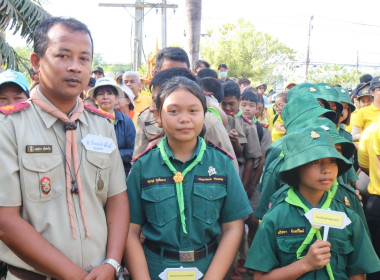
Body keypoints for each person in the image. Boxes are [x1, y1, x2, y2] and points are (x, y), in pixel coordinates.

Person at [0, 17, 129, 280]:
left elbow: (117, 198)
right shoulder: (8, 126)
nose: (75, 67)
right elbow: (5, 221)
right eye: (63, 55)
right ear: (36, 63)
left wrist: (113, 263)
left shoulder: (102, 125)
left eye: (84, 59)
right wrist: (76, 276)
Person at [124, 76, 252, 280]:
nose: (184, 118)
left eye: (193, 110)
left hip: (209, 267)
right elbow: (130, 231)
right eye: (173, 111)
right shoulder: (143, 166)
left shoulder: (222, 163)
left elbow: (233, 227)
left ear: (205, 114)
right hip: (155, 267)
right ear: (157, 115)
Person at [245, 126, 380, 279]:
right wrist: (305, 264)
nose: (326, 169)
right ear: (296, 167)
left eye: (332, 160)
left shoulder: (348, 217)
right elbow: (260, 277)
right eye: (315, 161)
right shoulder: (275, 218)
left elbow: (357, 274)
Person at [88, 77, 136, 177]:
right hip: (94, 174)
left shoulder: (126, 122)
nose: (105, 97)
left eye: (110, 93)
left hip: (121, 174)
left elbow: (133, 151)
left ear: (116, 97)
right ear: (95, 99)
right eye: (101, 94)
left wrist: (110, 153)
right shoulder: (88, 121)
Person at [352, 76, 380, 141]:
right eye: (379, 89)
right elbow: (354, 135)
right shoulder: (363, 112)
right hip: (371, 150)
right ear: (372, 93)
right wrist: (372, 136)